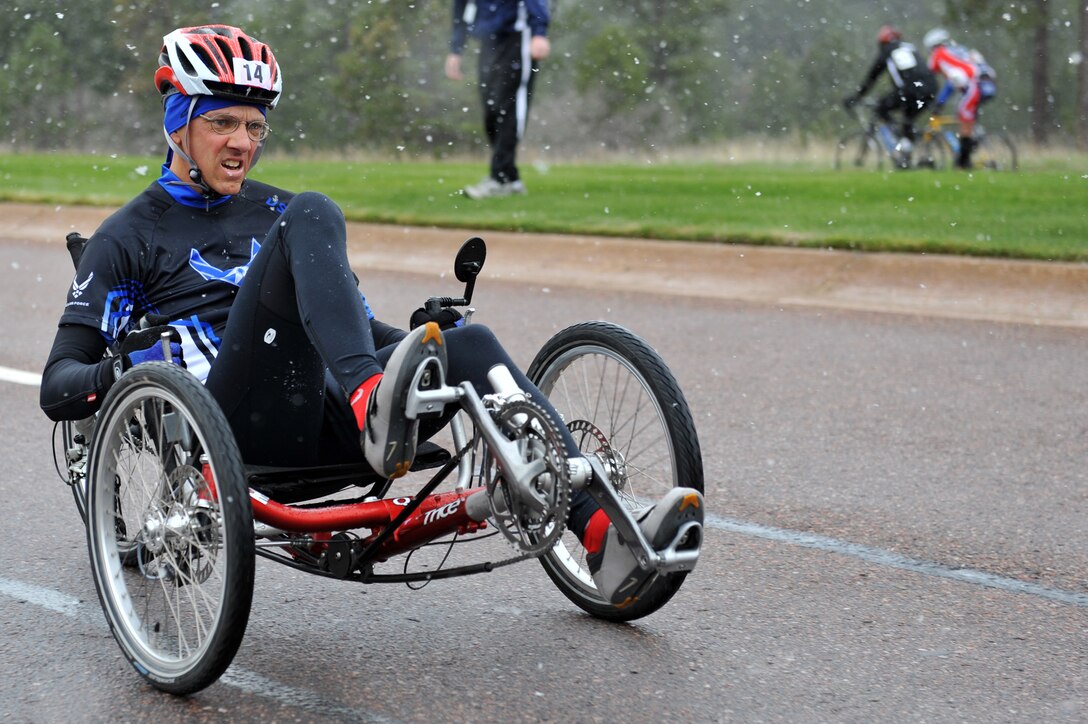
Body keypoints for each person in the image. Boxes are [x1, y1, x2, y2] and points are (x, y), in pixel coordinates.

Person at [39, 24, 702, 608]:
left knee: (467, 343)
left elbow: (352, 327)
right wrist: (127, 365)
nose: (243, 142)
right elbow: (58, 383)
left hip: (334, 419)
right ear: (179, 122)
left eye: (255, 127)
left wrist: (424, 343)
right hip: (230, 423)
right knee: (315, 210)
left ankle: (598, 537)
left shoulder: (280, 210)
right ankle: (369, 403)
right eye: (223, 123)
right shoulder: (128, 235)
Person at [445, 0, 550, 200]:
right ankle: (510, 178)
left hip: (519, 37)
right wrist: (456, 49)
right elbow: (461, 9)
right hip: (490, 40)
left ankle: (500, 178)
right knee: (491, 109)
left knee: (509, 107)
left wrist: (539, 32)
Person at [843, 25, 937, 168]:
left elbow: (872, 77)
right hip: (930, 87)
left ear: (882, 42)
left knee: (881, 108)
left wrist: (857, 96)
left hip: (911, 89)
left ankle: (901, 142)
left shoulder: (887, 51)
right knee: (908, 120)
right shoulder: (909, 47)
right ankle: (906, 152)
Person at [923, 27, 995, 169]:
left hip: (972, 86)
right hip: (985, 84)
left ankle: (963, 162)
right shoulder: (958, 50)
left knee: (964, 120)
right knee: (964, 119)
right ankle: (966, 153)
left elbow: (937, 75)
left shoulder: (939, 54)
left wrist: (938, 102)